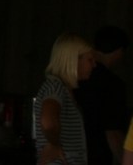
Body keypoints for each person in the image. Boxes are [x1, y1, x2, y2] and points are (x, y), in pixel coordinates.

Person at [36, 33, 96, 165]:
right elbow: (48, 121)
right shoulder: (55, 87)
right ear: (74, 60)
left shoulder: (63, 89)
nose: (94, 65)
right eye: (90, 60)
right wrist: (54, 144)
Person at [76, 26, 129, 165]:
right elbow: (113, 132)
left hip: (73, 153)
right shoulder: (113, 85)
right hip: (97, 155)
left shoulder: (76, 79)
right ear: (119, 52)